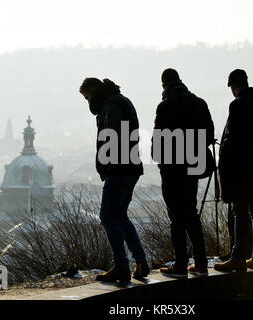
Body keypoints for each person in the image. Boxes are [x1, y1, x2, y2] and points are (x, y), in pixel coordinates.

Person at [79, 77, 150, 281]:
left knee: (108, 217)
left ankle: (121, 266)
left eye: (87, 97)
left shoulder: (111, 106)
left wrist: (108, 164)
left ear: (93, 91)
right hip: (129, 168)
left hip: (119, 169)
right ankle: (141, 262)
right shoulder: (118, 101)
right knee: (120, 216)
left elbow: (113, 137)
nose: (88, 103)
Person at [152, 68, 215, 278]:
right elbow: (208, 135)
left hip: (172, 168)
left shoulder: (165, 106)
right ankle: (201, 263)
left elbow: (158, 142)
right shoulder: (199, 103)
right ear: (180, 80)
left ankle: (180, 265)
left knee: (176, 217)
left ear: (163, 86)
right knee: (191, 214)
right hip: (193, 165)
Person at [214, 69, 253, 272]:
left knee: (239, 211)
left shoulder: (237, 105)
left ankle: (238, 257)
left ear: (233, 86)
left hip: (240, 168)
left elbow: (232, 138)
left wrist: (224, 163)